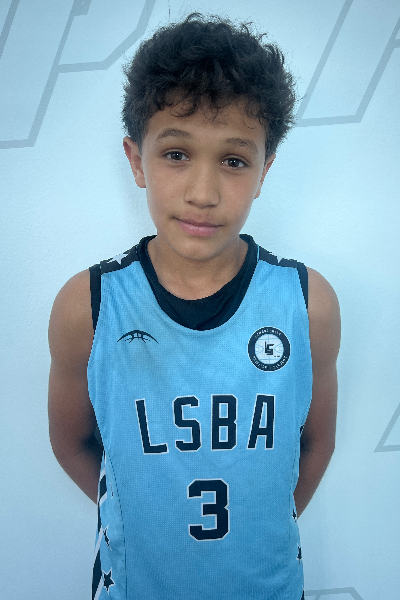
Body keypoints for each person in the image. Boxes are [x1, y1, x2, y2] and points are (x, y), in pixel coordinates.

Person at [48, 12, 340, 600]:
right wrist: (148, 518)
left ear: (264, 170)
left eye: (233, 161)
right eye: (177, 153)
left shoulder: (307, 304)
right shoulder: (89, 305)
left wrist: (251, 531)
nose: (203, 194)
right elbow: (73, 444)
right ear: (137, 160)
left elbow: (314, 444)